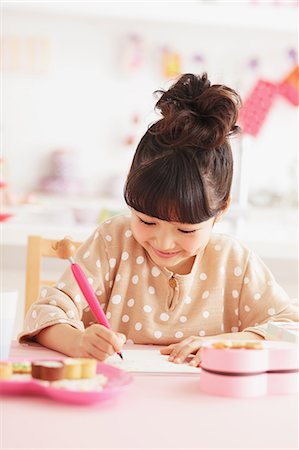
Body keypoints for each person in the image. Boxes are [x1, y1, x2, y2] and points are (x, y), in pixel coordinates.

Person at [19, 73, 297, 367]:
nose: (163, 241)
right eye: (147, 221)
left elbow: (290, 327)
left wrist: (224, 344)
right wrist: (76, 342)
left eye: (185, 229)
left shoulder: (234, 262)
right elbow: (45, 313)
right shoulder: (112, 242)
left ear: (222, 209)